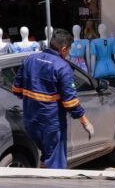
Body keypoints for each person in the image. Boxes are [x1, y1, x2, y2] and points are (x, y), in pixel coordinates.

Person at [11, 28, 94, 169]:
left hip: (30, 122)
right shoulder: (62, 67)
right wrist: (85, 122)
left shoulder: (29, 60)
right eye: (68, 49)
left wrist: (33, 100)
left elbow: (16, 89)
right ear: (63, 48)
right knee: (56, 164)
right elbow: (70, 103)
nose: (68, 53)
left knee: (46, 156)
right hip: (51, 124)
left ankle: (43, 184)